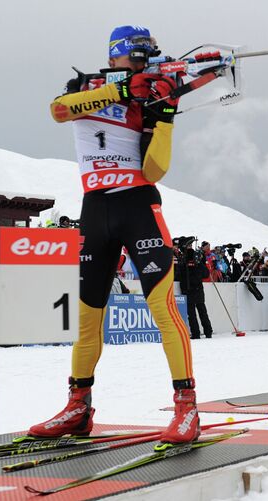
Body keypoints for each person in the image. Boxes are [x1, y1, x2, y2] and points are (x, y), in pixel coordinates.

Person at [30, 26, 201, 447]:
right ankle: (78, 405)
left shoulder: (152, 94)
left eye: (150, 57)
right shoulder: (87, 87)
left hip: (138, 205)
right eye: (141, 56)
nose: (147, 63)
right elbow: (58, 110)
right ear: (123, 54)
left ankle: (186, 406)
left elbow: (156, 170)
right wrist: (122, 87)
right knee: (87, 320)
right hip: (95, 209)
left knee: (163, 310)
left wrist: (164, 117)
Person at [181, 246, 213, 339]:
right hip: (198, 290)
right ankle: (208, 332)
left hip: (189, 291)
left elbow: (179, 275)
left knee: (192, 315)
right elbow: (206, 274)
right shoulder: (198, 263)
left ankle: (196, 334)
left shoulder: (184, 264)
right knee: (202, 312)